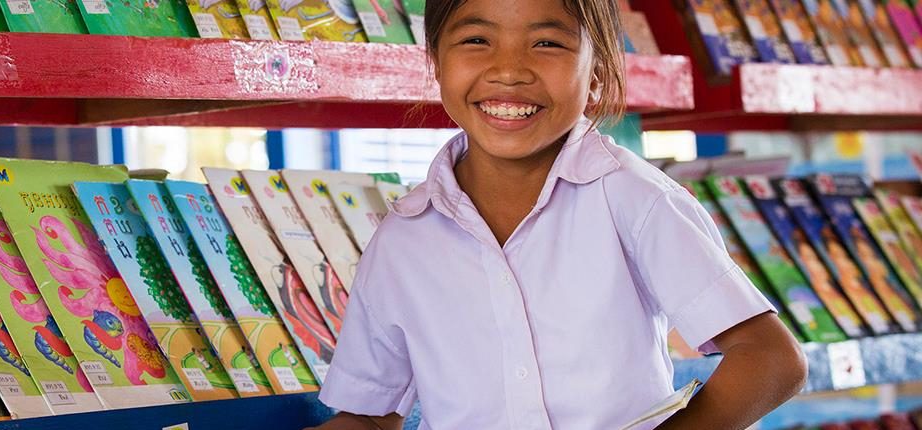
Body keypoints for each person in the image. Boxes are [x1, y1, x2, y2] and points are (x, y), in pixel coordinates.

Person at [310, 0, 806, 428]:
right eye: (477, 40)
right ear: (436, 62)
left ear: (597, 72)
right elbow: (369, 416)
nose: (509, 70)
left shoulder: (636, 200)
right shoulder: (403, 239)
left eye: (546, 43)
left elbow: (771, 358)